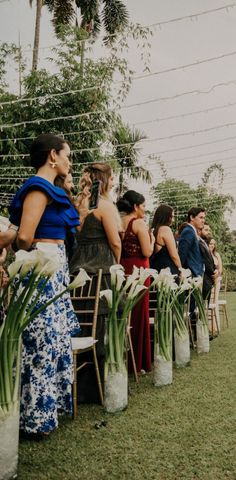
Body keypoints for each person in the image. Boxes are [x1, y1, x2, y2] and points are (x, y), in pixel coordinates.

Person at [8, 134, 80, 436]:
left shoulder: (53, 189)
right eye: (67, 155)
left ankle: (46, 412)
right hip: (41, 266)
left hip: (54, 264)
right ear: (53, 155)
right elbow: (24, 237)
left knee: (53, 339)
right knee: (42, 341)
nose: (69, 161)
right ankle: (33, 419)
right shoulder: (38, 188)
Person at [69, 163, 121, 403]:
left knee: (81, 323)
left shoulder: (79, 205)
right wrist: (116, 266)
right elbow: (115, 242)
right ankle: (95, 388)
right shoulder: (106, 206)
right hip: (101, 271)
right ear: (106, 180)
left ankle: (76, 386)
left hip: (77, 272)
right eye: (112, 178)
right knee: (100, 325)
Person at [117, 190, 153, 375]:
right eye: (144, 206)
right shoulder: (139, 223)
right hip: (139, 270)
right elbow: (147, 252)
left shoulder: (119, 221)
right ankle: (138, 363)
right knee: (139, 315)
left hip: (123, 268)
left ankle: (124, 358)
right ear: (135, 206)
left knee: (126, 313)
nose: (145, 210)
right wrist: (153, 241)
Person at [150, 205, 182, 276]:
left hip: (156, 268)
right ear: (166, 216)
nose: (173, 220)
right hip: (167, 271)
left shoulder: (154, 230)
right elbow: (174, 255)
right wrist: (181, 269)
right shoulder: (165, 229)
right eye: (172, 217)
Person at [178, 207, 205, 279]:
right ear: (192, 217)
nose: (203, 221)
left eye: (204, 218)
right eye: (201, 217)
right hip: (191, 276)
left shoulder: (192, 231)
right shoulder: (188, 231)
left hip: (196, 275)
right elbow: (182, 254)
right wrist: (181, 272)